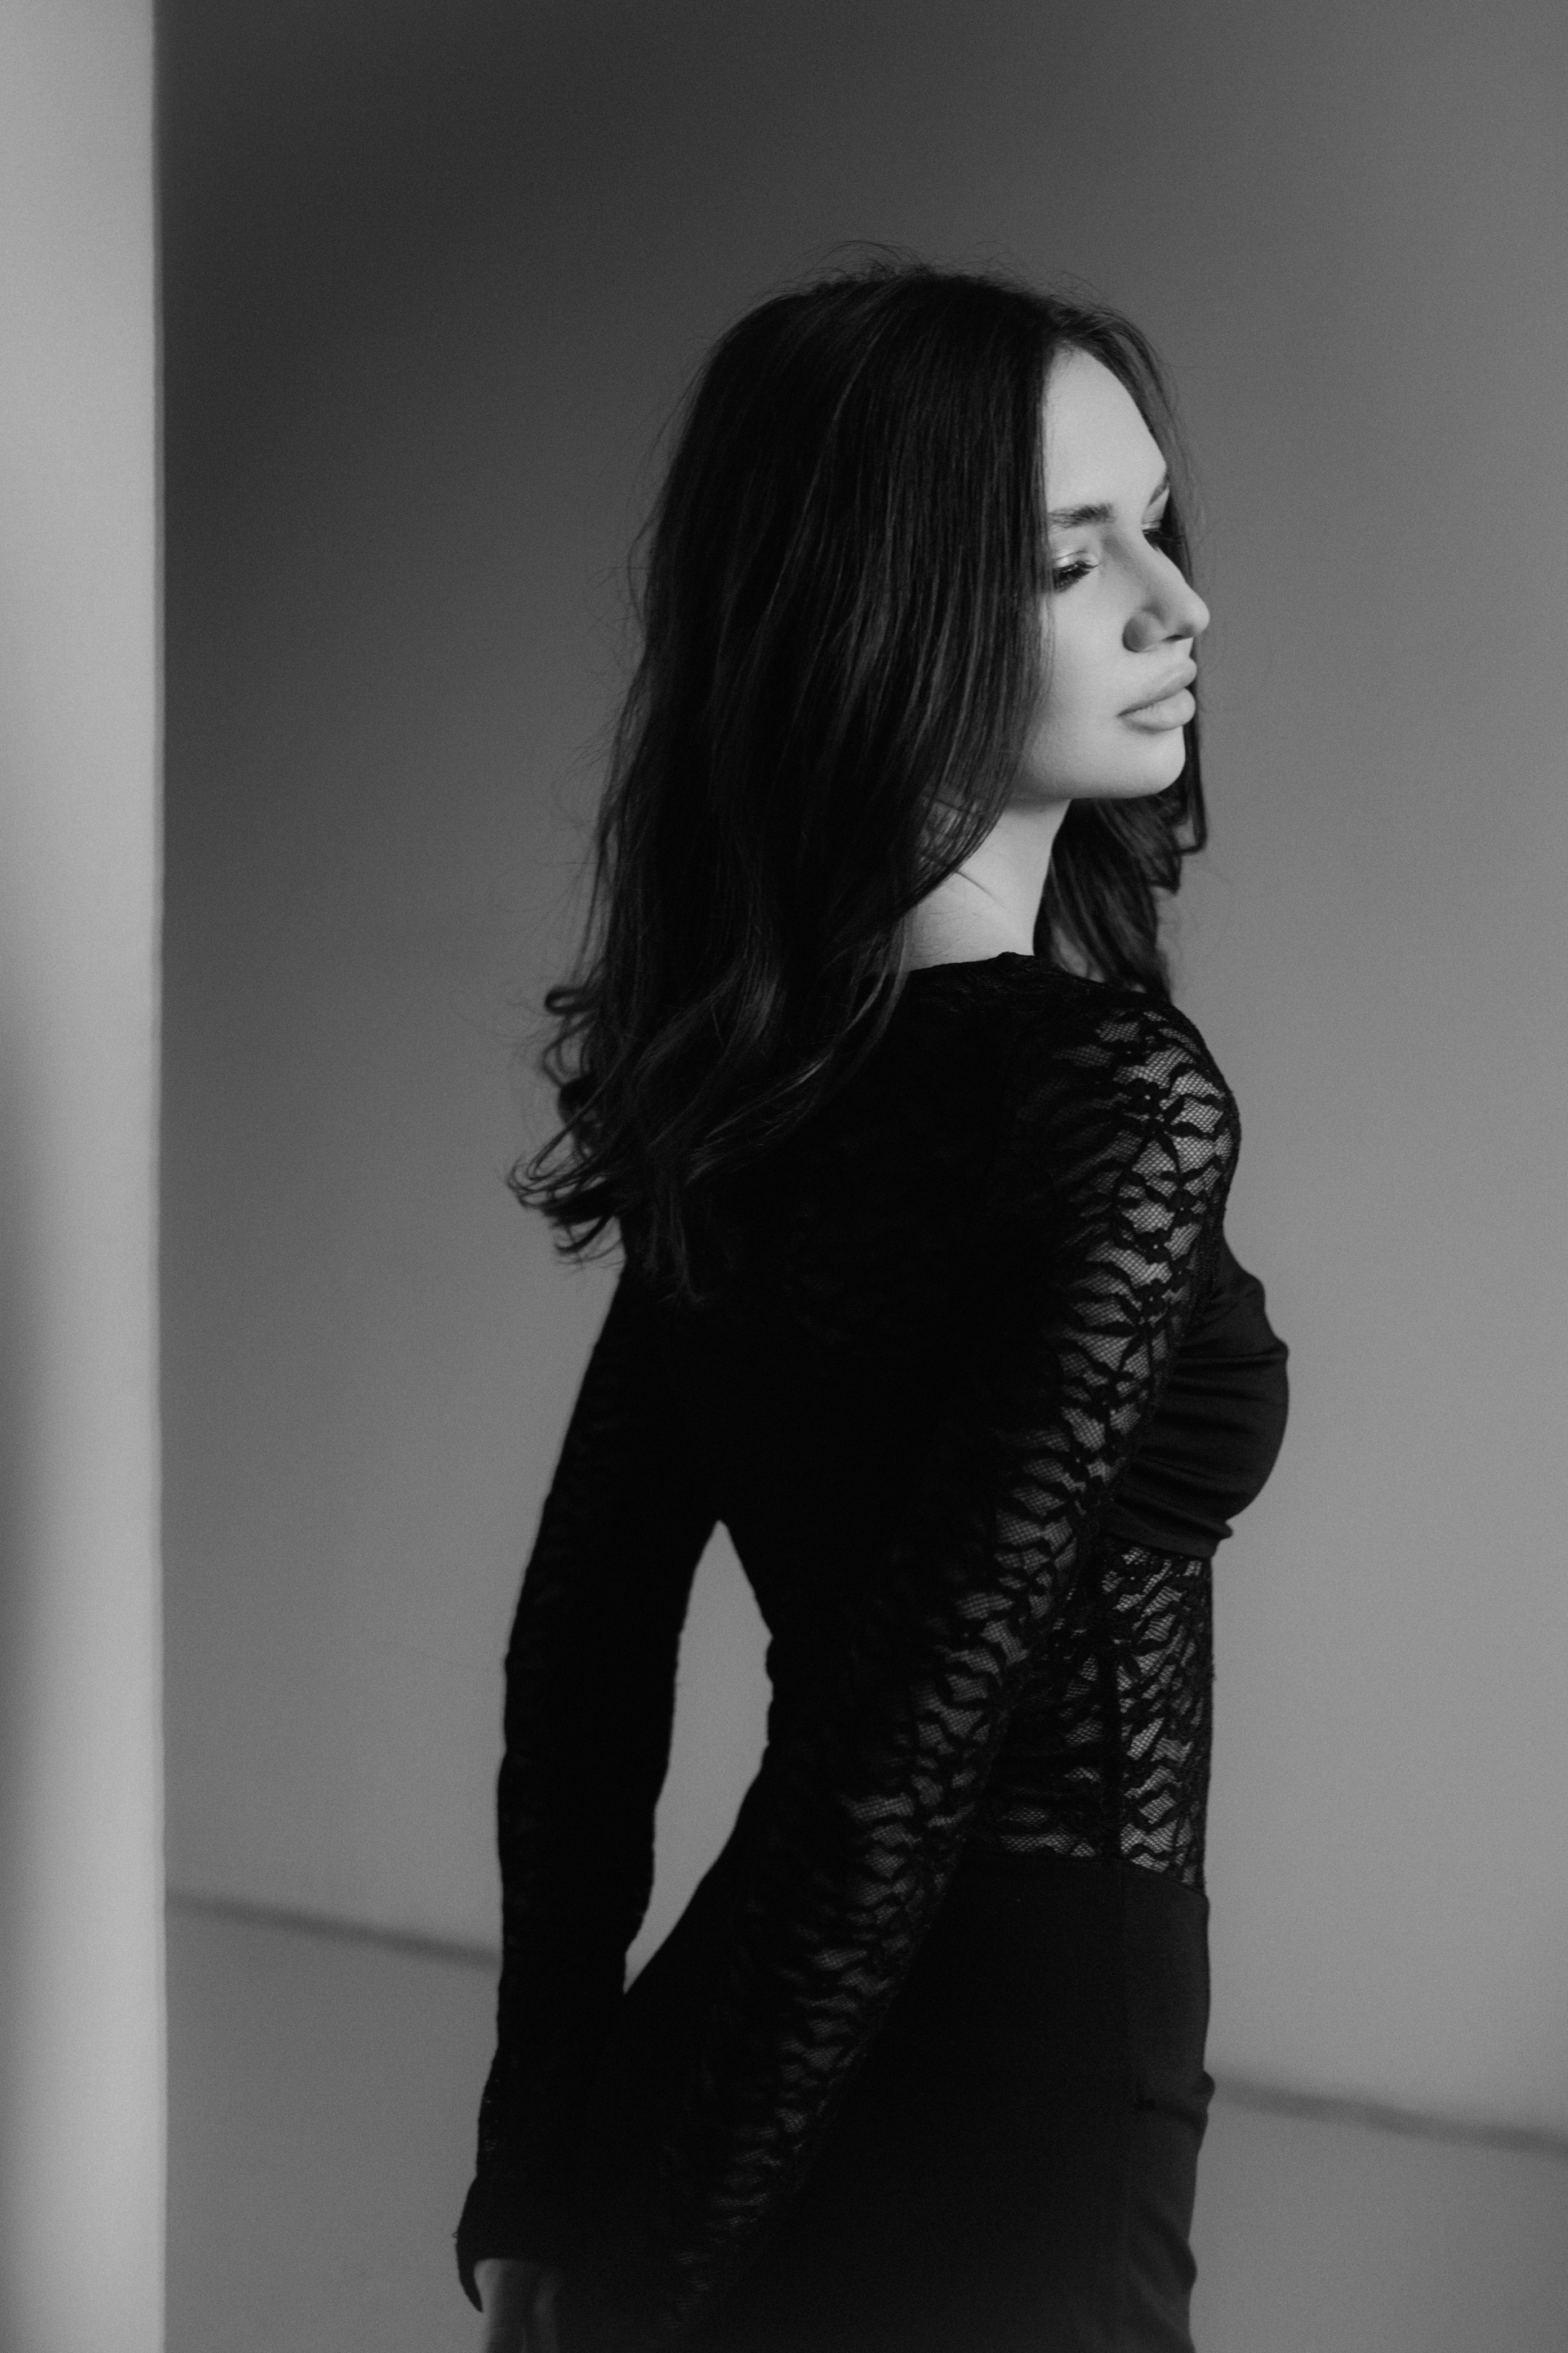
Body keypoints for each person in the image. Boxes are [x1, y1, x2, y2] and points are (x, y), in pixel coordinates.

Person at [454, 260, 1290, 2353]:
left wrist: (559, 2153)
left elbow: (586, 1645)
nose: (1179, 605)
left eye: (1154, 527)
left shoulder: (753, 1086)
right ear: (878, 616)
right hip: (1020, 2091)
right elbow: (907, 1745)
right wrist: (660, 2241)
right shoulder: (1116, 1102)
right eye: (1071, 559)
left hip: (745, 2028)